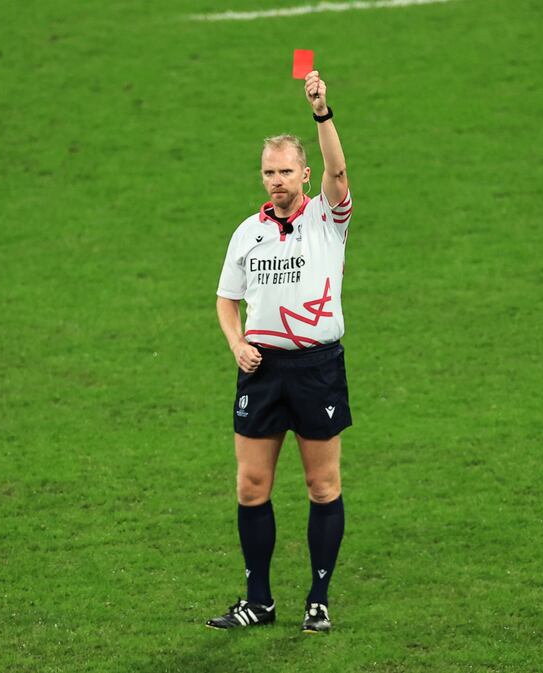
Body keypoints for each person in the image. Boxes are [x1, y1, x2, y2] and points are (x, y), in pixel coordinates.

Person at [206, 70, 353, 634]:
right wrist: (237, 342)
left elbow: (340, 171)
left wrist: (322, 111)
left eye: (286, 171)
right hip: (263, 370)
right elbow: (225, 300)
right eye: (269, 172)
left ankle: (317, 600)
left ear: (305, 173)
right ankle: (259, 601)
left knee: (322, 486)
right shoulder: (247, 232)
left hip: (315, 367)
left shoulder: (327, 218)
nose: (276, 181)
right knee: (251, 487)